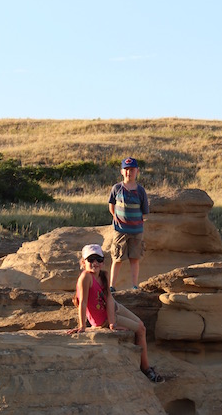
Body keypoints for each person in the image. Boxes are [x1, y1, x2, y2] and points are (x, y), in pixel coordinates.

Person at [66, 243, 164, 383]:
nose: (95, 263)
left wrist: (113, 323)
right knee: (141, 329)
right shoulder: (86, 278)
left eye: (99, 259)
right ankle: (146, 369)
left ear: (103, 262)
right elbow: (83, 302)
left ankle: (144, 364)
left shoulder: (104, 275)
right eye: (91, 259)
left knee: (141, 324)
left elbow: (110, 299)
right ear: (83, 262)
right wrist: (82, 326)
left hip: (111, 309)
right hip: (102, 319)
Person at [108, 157, 149, 291]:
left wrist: (137, 222)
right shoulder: (117, 188)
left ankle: (134, 285)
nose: (129, 172)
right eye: (126, 169)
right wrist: (116, 218)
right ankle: (112, 286)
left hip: (136, 231)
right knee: (117, 258)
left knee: (134, 258)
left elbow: (144, 211)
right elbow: (111, 206)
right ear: (121, 171)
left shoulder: (141, 190)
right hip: (120, 230)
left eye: (132, 170)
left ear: (137, 171)